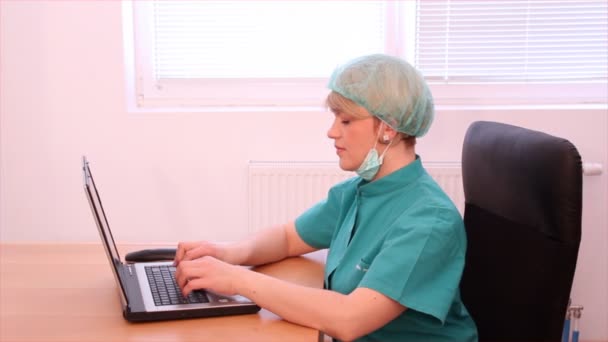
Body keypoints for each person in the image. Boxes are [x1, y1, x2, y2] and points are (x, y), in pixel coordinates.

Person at [173, 54, 478, 341]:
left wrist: (237, 281)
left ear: (388, 128)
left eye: (345, 121)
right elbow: (289, 237)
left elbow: (350, 319)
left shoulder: (428, 220)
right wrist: (227, 252)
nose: (332, 132)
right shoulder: (360, 191)